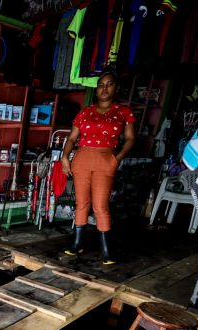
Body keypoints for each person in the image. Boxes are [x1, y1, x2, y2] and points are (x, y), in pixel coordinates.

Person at [61, 70, 136, 264]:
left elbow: (130, 139)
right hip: (82, 157)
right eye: (101, 85)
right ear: (96, 90)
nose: (104, 88)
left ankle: (106, 249)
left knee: (100, 206)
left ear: (116, 87)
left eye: (109, 84)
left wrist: (117, 158)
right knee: (81, 204)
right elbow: (71, 138)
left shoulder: (123, 112)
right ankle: (78, 243)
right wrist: (64, 157)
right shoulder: (85, 112)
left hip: (106, 158)